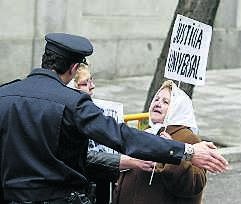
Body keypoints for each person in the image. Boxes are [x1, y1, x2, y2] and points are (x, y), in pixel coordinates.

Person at [0, 32, 228, 203]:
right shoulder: (72, 102)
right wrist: (187, 151)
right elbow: (120, 135)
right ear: (73, 68)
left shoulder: (4, 95)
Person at [113, 80, 207, 204]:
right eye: (156, 99)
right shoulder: (148, 132)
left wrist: (171, 151)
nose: (157, 104)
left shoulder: (189, 139)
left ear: (178, 109)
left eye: (165, 102)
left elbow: (194, 184)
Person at [73, 64, 154, 204]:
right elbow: (87, 157)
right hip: (82, 186)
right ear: (73, 87)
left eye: (92, 80)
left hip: (102, 183)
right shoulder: (71, 115)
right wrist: (130, 162)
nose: (92, 86)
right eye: (85, 83)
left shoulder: (99, 110)